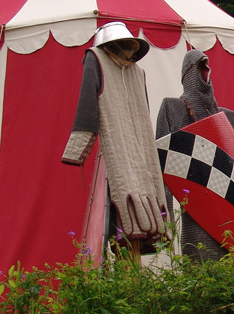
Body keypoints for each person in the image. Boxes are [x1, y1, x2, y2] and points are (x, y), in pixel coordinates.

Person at [62, 22, 168, 250]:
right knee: (129, 203)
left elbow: (88, 106)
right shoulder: (104, 62)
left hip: (132, 154)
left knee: (128, 205)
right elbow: (90, 104)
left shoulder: (105, 61)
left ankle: (129, 279)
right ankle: (131, 276)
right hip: (126, 153)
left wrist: (76, 150)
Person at [156, 49, 234, 261]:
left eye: (207, 67)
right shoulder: (173, 108)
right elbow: (161, 164)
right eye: (199, 67)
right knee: (199, 262)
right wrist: (167, 219)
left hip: (227, 206)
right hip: (195, 201)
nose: (205, 72)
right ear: (188, 73)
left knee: (231, 270)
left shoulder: (226, 118)